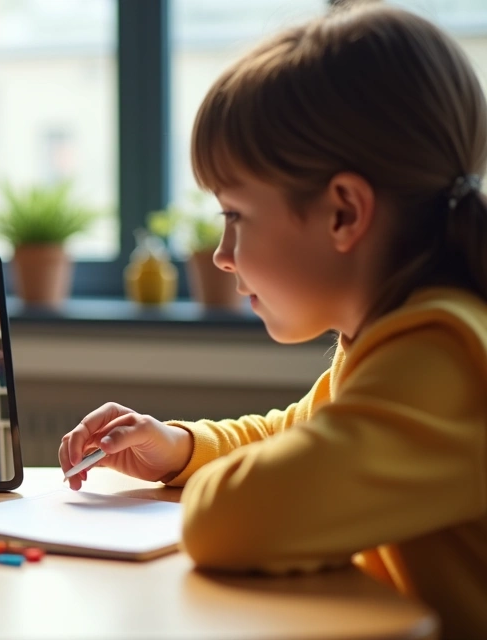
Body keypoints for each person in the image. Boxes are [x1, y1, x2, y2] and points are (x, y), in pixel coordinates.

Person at [58, 4, 487, 635]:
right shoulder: (402, 336)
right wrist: (181, 450)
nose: (222, 257)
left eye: (235, 216)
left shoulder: (442, 359)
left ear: (343, 213)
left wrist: (216, 490)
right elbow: (302, 436)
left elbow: (234, 522)